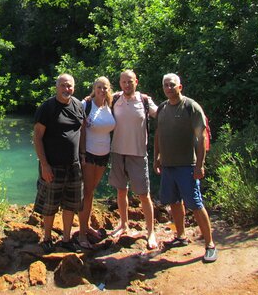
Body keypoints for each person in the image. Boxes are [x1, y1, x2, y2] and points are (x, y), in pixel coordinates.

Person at [154, 73, 218, 263]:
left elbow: (202, 137)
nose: (168, 88)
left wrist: (200, 165)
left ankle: (210, 245)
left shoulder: (191, 107)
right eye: (165, 85)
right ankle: (180, 236)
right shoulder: (163, 108)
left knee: (196, 204)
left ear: (180, 87)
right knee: (174, 201)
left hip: (187, 166)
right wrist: (157, 156)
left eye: (172, 85)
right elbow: (158, 133)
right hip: (168, 165)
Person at [33, 73, 85, 253]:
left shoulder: (78, 105)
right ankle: (47, 238)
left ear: (74, 87)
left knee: (71, 204)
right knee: (50, 204)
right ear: (57, 87)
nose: (66, 89)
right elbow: (37, 137)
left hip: (74, 165)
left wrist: (83, 155)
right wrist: (44, 165)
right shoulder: (47, 108)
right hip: (52, 165)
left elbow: (82, 130)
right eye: (63, 85)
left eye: (69, 86)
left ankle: (67, 238)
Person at [108, 69, 159, 250]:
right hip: (117, 152)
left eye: (130, 81)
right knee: (121, 191)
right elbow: (95, 100)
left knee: (144, 195)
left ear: (136, 81)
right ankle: (124, 224)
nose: (127, 85)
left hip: (138, 153)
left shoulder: (144, 100)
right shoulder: (114, 99)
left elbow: (161, 114)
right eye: (123, 82)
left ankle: (151, 232)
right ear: (120, 83)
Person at [77, 76, 116, 249]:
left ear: (109, 89)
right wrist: (82, 153)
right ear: (94, 88)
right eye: (99, 87)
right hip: (89, 154)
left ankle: (86, 227)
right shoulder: (86, 104)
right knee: (88, 192)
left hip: (104, 154)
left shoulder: (112, 104)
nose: (102, 90)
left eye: (105, 87)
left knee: (91, 191)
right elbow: (78, 126)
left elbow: (131, 94)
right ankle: (82, 234)